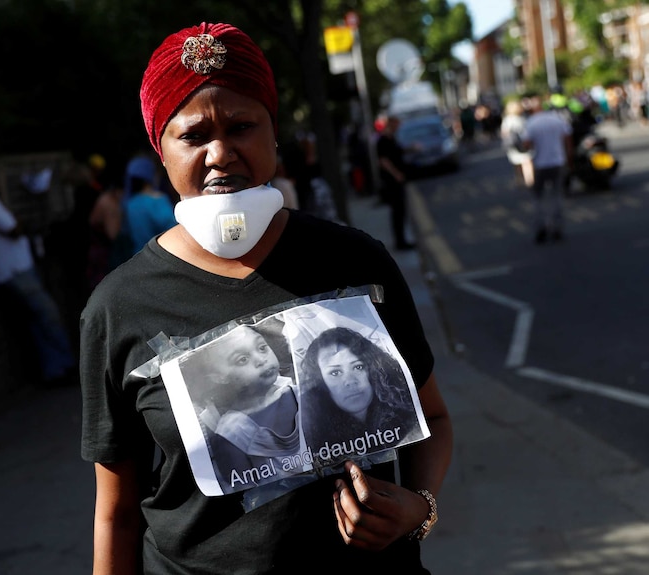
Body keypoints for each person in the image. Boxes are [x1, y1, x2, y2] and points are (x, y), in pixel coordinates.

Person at [80, 22, 452, 574]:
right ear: (161, 149)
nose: (220, 153)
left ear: (273, 133)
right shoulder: (118, 307)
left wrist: (418, 509)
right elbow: (116, 514)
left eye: (241, 126)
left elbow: (434, 419)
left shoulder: (357, 261)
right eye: (194, 135)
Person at [0, 162, 77, 386]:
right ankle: (68, 366)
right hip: (15, 272)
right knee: (49, 316)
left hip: (14, 271)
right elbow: (13, 228)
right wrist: (19, 220)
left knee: (38, 321)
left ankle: (54, 370)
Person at [180, 324, 300, 492]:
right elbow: (245, 493)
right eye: (242, 360)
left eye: (262, 347)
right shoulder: (231, 434)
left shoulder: (297, 393)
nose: (260, 360)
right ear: (218, 377)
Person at [299, 327, 424, 469]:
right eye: (335, 372)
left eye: (358, 367)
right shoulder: (312, 438)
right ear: (320, 382)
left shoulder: (408, 415)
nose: (350, 381)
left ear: (372, 369)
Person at [521, 96, 573, 244]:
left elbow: (527, 144)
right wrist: (569, 158)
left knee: (538, 198)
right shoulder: (557, 119)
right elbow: (568, 138)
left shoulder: (531, 123)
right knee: (556, 195)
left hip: (540, 164)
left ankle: (541, 227)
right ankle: (557, 227)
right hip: (557, 161)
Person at [121, 154, 177, 255]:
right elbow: (172, 229)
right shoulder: (158, 200)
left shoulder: (129, 203)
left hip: (136, 258)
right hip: (159, 257)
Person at [376, 115, 416, 250]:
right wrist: (396, 174)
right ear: (391, 124)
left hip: (397, 180)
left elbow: (398, 152)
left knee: (401, 211)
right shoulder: (382, 140)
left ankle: (402, 239)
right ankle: (400, 241)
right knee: (397, 211)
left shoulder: (391, 138)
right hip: (392, 182)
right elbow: (383, 161)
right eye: (396, 124)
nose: (398, 127)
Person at [500, 100, 534, 188]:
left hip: (513, 144)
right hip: (523, 143)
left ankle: (519, 179)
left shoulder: (507, 120)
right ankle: (529, 179)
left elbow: (504, 133)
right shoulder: (522, 118)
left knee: (517, 163)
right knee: (527, 162)